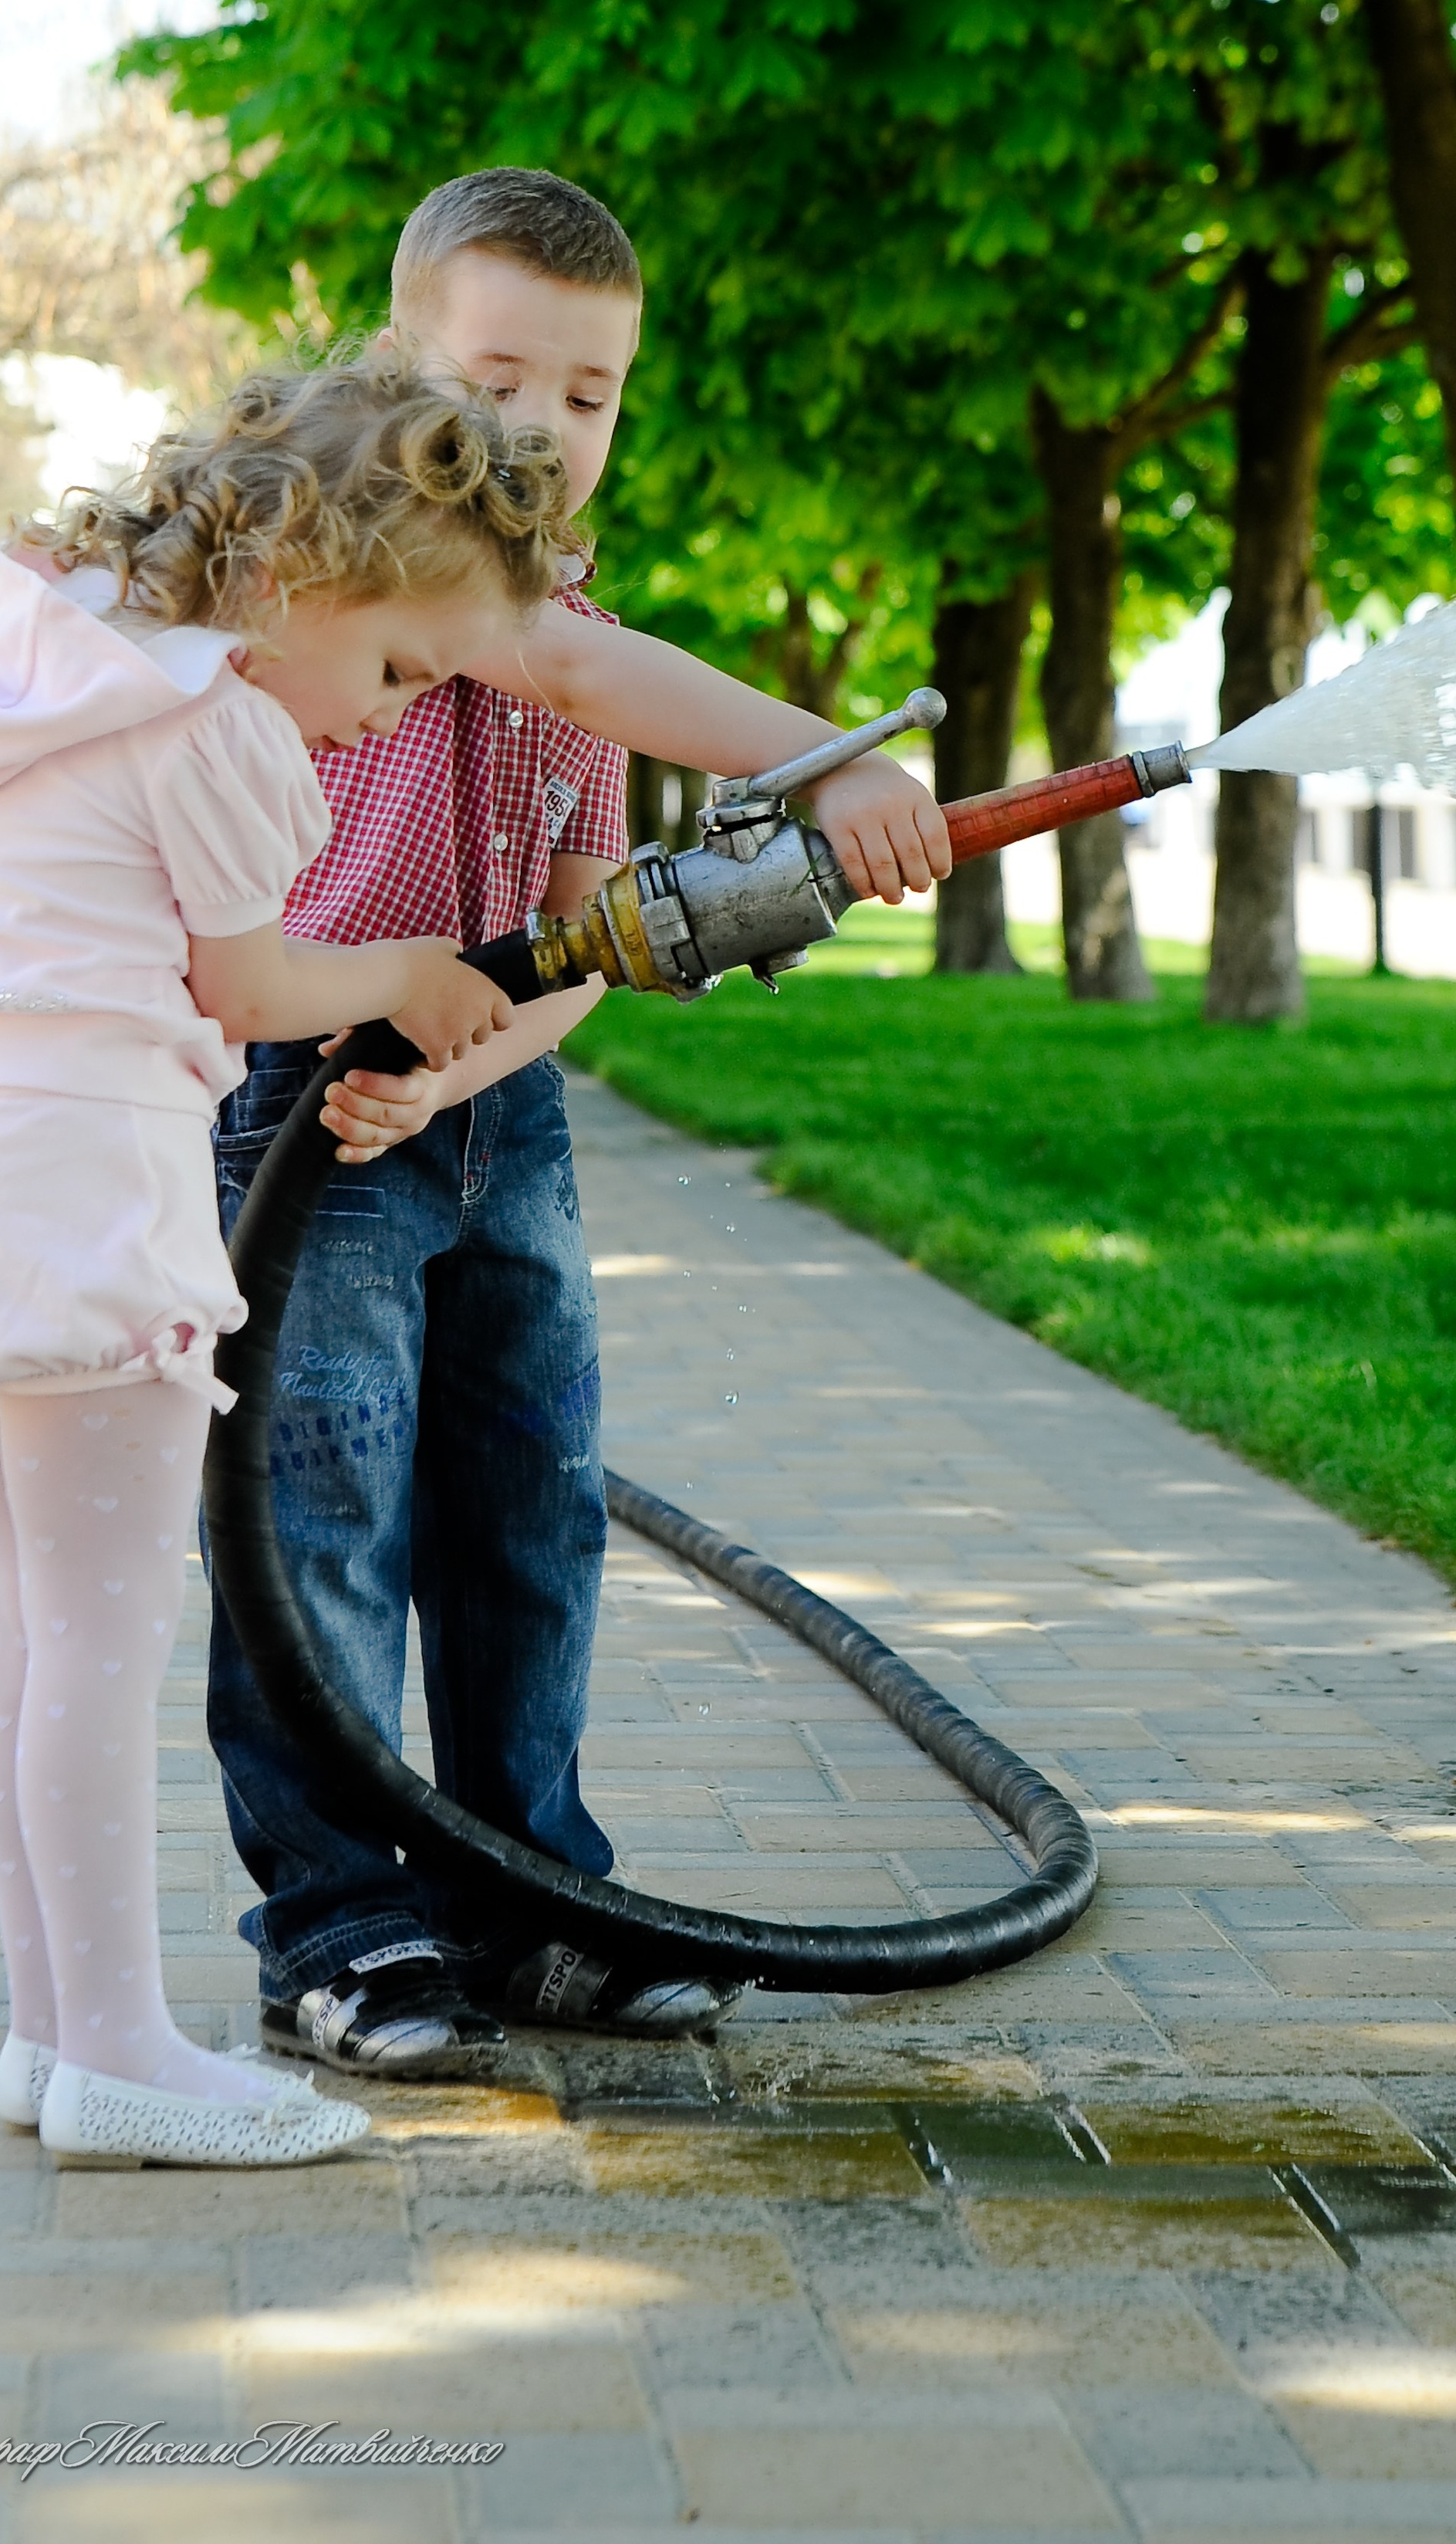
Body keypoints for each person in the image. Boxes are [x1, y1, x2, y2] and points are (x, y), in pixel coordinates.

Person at [208, 168, 951, 2078]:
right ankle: (342, 1928)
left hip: (486, 1113)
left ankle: (538, 1908)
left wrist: (464, 1067)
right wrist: (833, 750)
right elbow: (555, 665)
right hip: (310, 1119)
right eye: (501, 378)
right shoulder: (344, 584)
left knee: (530, 1515)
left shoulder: (573, 620)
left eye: (590, 392)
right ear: (401, 370)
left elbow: (583, 916)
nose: (544, 426)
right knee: (323, 1528)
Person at [0, 353, 577, 2168]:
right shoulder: (221, 725)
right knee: (99, 1644)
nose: (389, 715)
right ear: (296, 579)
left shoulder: (40, 641)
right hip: (87, 1181)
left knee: (28, 1634)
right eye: (400, 667)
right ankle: (119, 2050)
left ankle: (47, 2034)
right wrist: (410, 967)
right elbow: (247, 987)